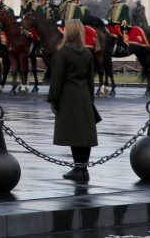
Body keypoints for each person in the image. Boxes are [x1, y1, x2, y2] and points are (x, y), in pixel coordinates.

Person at [46, 19, 97, 183]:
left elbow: (57, 79)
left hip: (69, 97)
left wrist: (53, 99)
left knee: (74, 134)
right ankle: (83, 169)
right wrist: (90, 98)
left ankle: (78, 168)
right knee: (84, 135)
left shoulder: (63, 53)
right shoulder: (87, 53)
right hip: (84, 95)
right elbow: (90, 80)